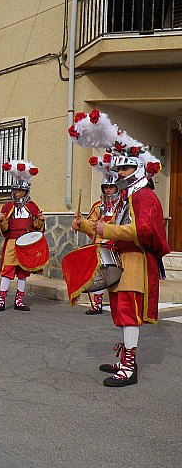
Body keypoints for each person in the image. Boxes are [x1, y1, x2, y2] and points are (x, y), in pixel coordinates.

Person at [69, 109, 170, 387]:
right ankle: (126, 360)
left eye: (125, 169)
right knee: (122, 312)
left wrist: (106, 229)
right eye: (119, 169)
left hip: (135, 261)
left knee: (129, 314)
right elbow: (108, 227)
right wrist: (87, 226)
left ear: (137, 169)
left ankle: (129, 367)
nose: (119, 173)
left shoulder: (144, 195)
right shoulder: (129, 198)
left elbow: (144, 231)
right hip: (123, 259)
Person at [0, 160, 45, 312]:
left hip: (26, 244)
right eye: (16, 191)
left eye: (22, 191)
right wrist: (2, 221)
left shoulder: (32, 206)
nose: (19, 194)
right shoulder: (7, 206)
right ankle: (1, 301)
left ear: (26, 192)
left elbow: (36, 228)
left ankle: (19, 301)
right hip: (11, 242)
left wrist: (40, 221)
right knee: (7, 270)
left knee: (23, 272)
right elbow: (4, 229)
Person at [71, 153, 120, 315]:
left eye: (111, 187)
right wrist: (81, 223)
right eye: (105, 187)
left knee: (117, 275)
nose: (108, 190)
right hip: (100, 244)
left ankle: (118, 304)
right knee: (99, 274)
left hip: (117, 244)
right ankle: (97, 305)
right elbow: (91, 225)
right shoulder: (98, 206)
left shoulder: (123, 205)